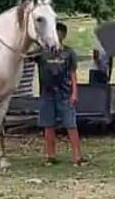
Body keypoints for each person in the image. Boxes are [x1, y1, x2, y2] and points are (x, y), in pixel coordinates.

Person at [35, 22, 85, 166]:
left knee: (71, 124)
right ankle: (51, 156)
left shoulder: (68, 53)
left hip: (64, 93)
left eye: (58, 33)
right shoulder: (42, 52)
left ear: (63, 35)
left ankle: (77, 156)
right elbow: (25, 55)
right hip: (47, 93)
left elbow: (73, 73)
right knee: (48, 125)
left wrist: (74, 92)